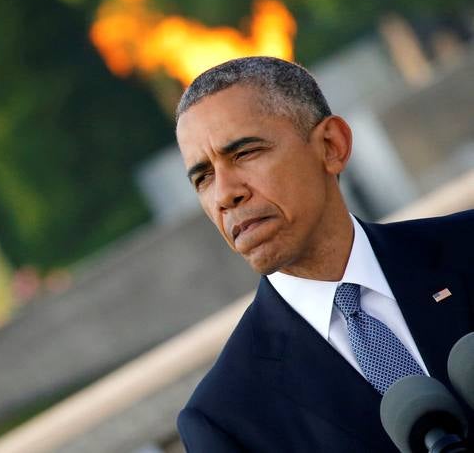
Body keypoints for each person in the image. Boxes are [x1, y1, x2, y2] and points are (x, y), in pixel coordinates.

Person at [174, 56, 474, 451]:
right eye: (203, 177)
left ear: (332, 146)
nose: (225, 194)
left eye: (244, 153)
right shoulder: (225, 416)